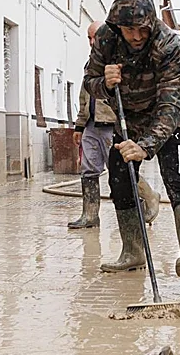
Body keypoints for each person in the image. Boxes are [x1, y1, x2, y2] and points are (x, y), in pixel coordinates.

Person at [83, 0, 180, 288]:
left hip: (166, 120)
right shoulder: (107, 40)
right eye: (128, 30)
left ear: (150, 24)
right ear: (117, 25)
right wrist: (105, 85)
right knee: (119, 176)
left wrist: (147, 146)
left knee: (174, 176)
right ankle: (133, 251)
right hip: (127, 119)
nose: (135, 37)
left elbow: (171, 101)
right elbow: (89, 81)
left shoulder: (169, 44)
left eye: (141, 30)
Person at [68, 21, 160, 230]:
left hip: (113, 123)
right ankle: (90, 214)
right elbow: (85, 96)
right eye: (89, 38)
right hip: (92, 123)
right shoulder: (92, 63)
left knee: (120, 170)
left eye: (95, 37)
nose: (92, 42)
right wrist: (80, 126)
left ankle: (150, 197)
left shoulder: (120, 58)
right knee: (88, 169)